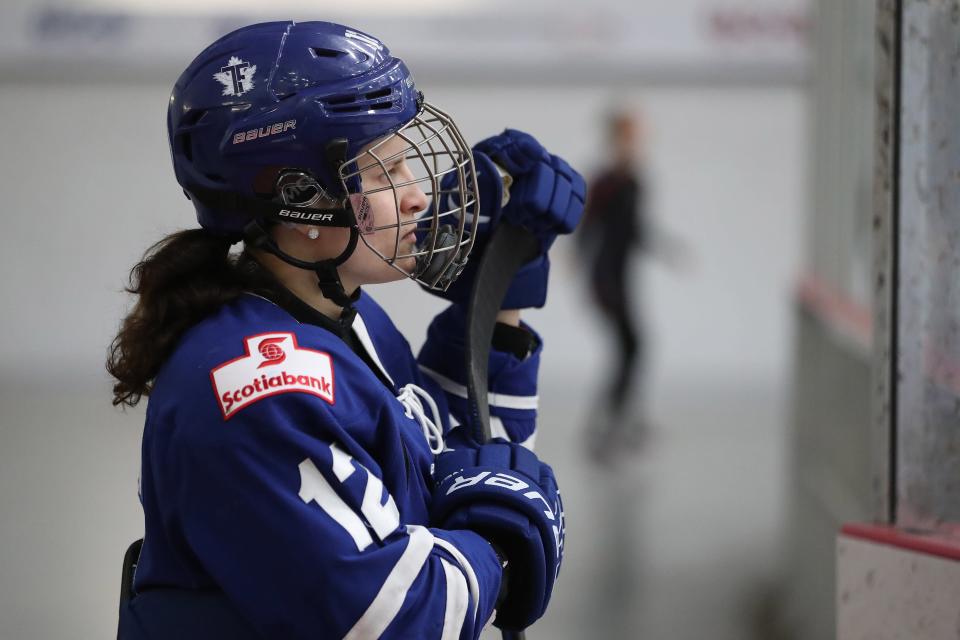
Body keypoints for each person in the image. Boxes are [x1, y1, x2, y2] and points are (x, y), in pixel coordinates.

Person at [107, 21, 583, 640]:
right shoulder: (258, 391)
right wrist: (499, 543)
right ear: (300, 198)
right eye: (386, 171)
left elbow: (452, 452)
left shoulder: (344, 320)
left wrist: (500, 291)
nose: (417, 195)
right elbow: (391, 618)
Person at [578, 110, 650, 457]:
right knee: (630, 348)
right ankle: (607, 428)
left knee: (631, 349)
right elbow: (587, 227)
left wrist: (668, 250)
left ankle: (617, 422)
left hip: (622, 278)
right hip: (606, 278)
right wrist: (581, 269)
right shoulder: (607, 181)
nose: (635, 142)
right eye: (629, 135)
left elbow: (636, 231)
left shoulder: (635, 180)